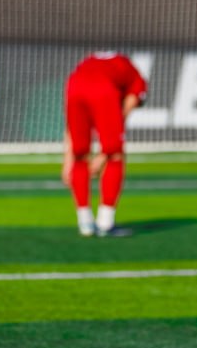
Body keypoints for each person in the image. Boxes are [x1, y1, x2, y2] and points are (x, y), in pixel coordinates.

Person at [62, 50, 148, 237]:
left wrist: (67, 161)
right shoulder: (134, 75)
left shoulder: (90, 62)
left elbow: (70, 127)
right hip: (102, 90)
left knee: (79, 155)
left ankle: (85, 222)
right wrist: (105, 152)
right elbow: (125, 111)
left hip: (73, 85)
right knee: (116, 155)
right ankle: (105, 223)